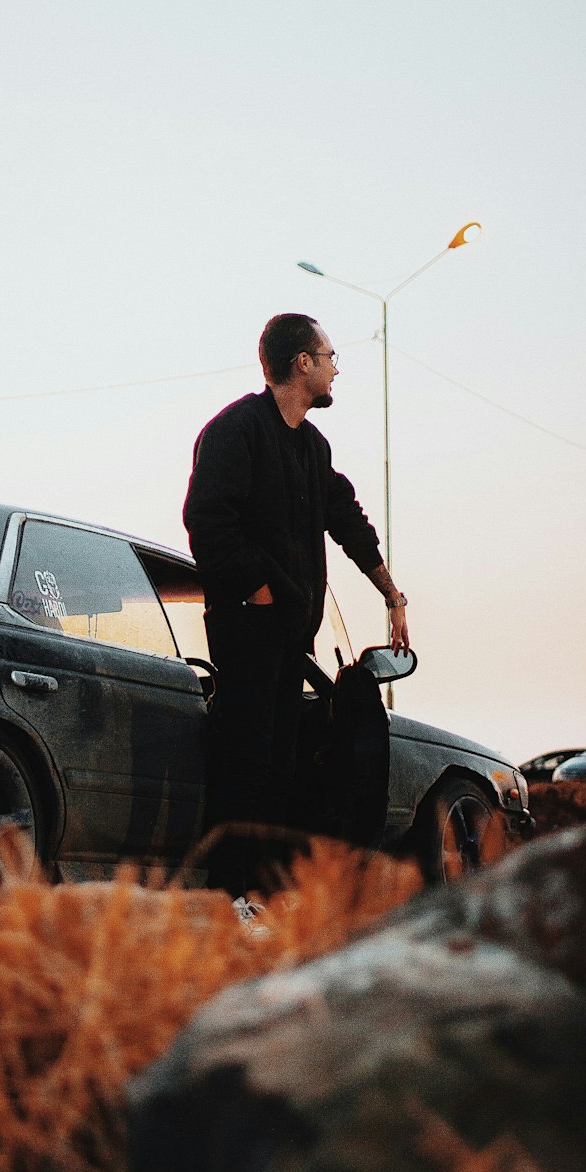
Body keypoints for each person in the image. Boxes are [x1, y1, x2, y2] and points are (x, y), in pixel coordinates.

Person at [182, 312, 409, 894]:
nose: (336, 368)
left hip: (289, 635)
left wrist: (391, 593)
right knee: (247, 761)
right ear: (301, 362)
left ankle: (259, 896)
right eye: (330, 355)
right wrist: (260, 591)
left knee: (282, 765)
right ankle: (228, 894)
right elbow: (207, 522)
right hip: (247, 627)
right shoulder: (236, 431)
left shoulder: (313, 447)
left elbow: (347, 520)